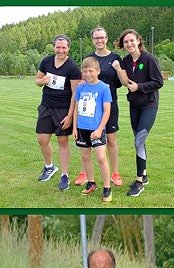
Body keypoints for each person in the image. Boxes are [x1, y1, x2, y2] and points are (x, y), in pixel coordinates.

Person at [115, 29, 164, 198]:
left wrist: (140, 87)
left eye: (131, 40)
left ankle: (139, 181)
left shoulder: (149, 59)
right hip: (134, 105)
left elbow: (158, 82)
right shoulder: (126, 61)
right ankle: (144, 175)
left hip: (149, 105)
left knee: (139, 140)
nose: (129, 44)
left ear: (138, 40)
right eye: (126, 42)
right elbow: (123, 81)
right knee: (139, 141)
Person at [75, 27, 124, 188]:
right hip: (90, 107)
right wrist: (83, 81)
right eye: (96, 38)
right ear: (93, 40)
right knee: (86, 143)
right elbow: (84, 77)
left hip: (109, 104)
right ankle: (85, 173)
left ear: (107, 38)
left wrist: (118, 69)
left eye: (102, 37)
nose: (99, 40)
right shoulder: (89, 58)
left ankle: (115, 172)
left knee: (111, 139)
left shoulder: (115, 58)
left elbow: (122, 81)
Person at [36, 35, 82, 191]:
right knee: (42, 139)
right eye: (58, 47)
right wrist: (42, 81)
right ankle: (49, 166)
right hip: (46, 106)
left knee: (62, 142)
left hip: (63, 109)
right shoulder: (46, 61)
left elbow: (75, 95)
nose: (61, 50)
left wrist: (69, 115)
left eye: (64, 47)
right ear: (54, 47)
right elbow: (37, 79)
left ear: (68, 47)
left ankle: (64, 175)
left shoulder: (73, 68)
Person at [72, 57, 114, 203]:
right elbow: (77, 108)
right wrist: (74, 127)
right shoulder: (81, 87)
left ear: (98, 71)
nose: (88, 74)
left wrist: (100, 129)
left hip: (96, 129)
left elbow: (107, 111)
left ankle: (107, 187)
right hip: (82, 128)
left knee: (101, 158)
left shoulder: (104, 88)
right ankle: (91, 182)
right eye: (85, 71)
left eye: (91, 71)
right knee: (85, 156)